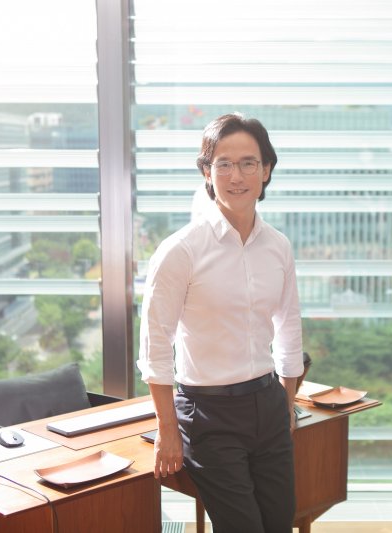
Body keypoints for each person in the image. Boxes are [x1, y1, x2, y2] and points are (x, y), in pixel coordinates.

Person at [137, 113, 304, 533]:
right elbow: (155, 346)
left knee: (279, 524)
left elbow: (289, 327)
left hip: (267, 402)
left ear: (266, 170)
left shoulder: (278, 246)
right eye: (223, 164)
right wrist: (167, 429)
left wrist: (286, 402)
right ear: (206, 172)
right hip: (208, 413)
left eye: (248, 163)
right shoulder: (180, 250)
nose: (236, 176)